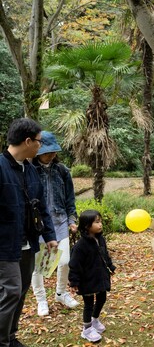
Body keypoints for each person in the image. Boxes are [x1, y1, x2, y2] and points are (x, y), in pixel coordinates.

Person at [0, 118, 57, 347]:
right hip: (4, 245)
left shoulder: (31, 171)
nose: (40, 146)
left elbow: (41, 206)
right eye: (39, 142)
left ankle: (10, 336)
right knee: (10, 291)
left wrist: (50, 235)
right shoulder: (1, 168)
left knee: (21, 290)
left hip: (28, 243)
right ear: (27, 141)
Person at [31, 131, 79, 316]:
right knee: (40, 266)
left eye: (53, 151)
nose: (50, 155)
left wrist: (72, 220)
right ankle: (41, 299)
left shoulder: (62, 170)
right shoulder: (30, 170)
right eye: (46, 151)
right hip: (39, 224)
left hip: (60, 221)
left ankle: (61, 292)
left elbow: (70, 198)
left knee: (64, 260)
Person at [69, 210, 116, 342]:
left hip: (100, 277)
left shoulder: (100, 239)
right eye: (96, 222)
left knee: (102, 299)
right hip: (87, 280)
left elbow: (105, 255)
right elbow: (74, 265)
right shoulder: (80, 246)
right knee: (88, 304)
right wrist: (74, 282)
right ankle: (87, 329)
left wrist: (110, 267)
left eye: (100, 221)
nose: (100, 224)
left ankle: (95, 320)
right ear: (86, 225)